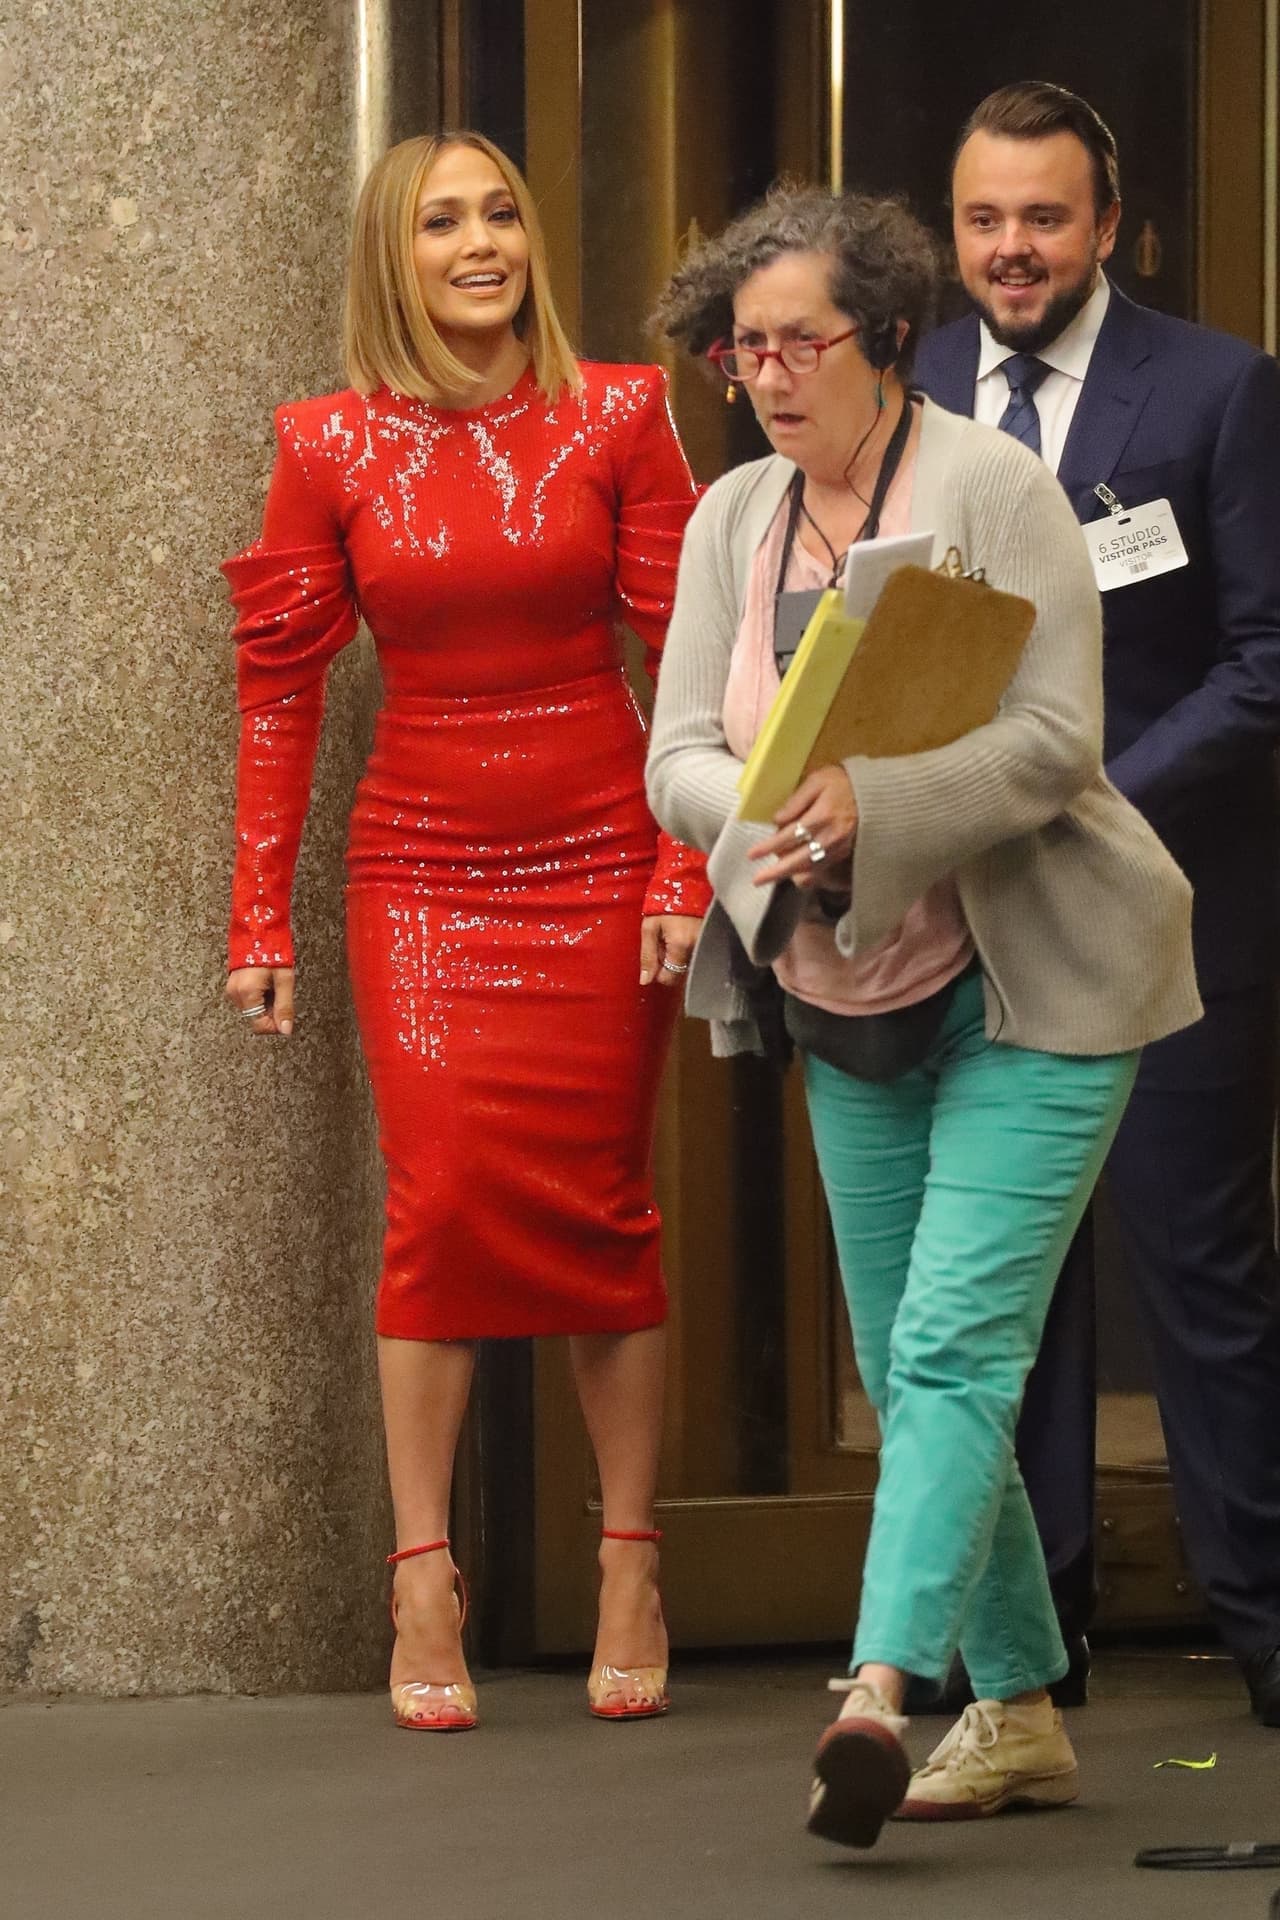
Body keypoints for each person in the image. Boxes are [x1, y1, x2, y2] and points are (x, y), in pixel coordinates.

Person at [647, 183, 1199, 1846]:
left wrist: (873, 801)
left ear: (886, 337)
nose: (767, 376)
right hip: (841, 986)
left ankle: (881, 1692)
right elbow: (674, 747)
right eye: (743, 350)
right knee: (909, 1364)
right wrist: (762, 809)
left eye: (798, 341)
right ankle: (1022, 1712)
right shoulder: (730, 517)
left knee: (959, 1345)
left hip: (1037, 983)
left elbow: (1050, 744)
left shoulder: (994, 485)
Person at [221, 131, 709, 1732]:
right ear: (395, 255)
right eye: (444, 222)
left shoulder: (623, 410)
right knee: (434, 1207)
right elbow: (282, 687)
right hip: (420, 872)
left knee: (603, 1207)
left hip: (598, 847)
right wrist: (257, 912)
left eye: (503, 210)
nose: (482, 241)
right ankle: (419, 1571)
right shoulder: (327, 441)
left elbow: (700, 663)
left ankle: (629, 1559)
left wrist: (680, 874)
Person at [915, 81, 1280, 1728]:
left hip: (1168, 915)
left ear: (1107, 228)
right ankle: (1028, 1646)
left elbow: (1270, 664)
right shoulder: (909, 386)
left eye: (1045, 218)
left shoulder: (1217, 393)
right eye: (986, 220)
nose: (1012, 249)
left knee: (1200, 1282)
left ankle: (1266, 1633)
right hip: (969, 922)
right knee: (1009, 1289)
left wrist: (1086, 792)